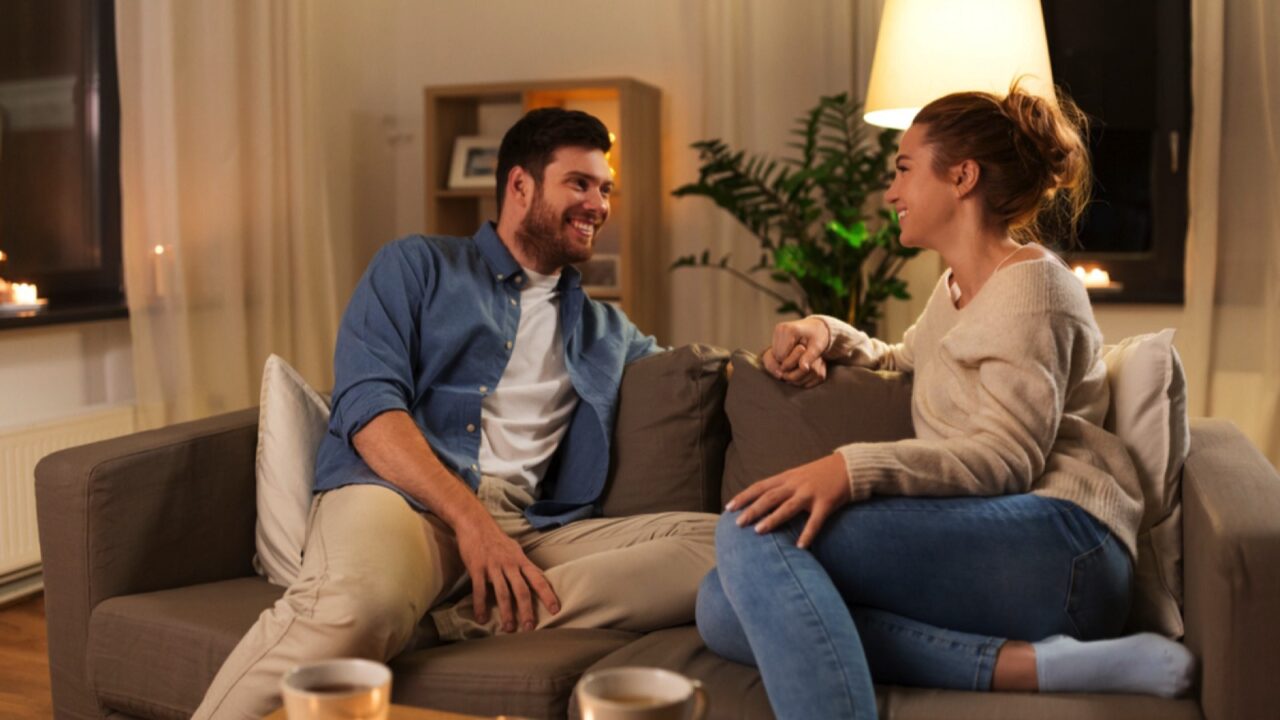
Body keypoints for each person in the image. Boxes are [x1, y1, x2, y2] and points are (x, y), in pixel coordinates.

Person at [194, 108, 717, 719]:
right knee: (358, 607)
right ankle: (406, 609)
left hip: (534, 528)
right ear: (520, 186)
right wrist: (472, 525)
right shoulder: (415, 266)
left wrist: (812, 335)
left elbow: (705, 369)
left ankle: (446, 620)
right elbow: (368, 410)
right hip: (401, 500)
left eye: (605, 189)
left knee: (721, 547)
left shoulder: (607, 329)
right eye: (579, 183)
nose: (599, 204)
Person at [695, 85, 1196, 719]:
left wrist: (850, 470)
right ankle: (1036, 666)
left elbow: (1007, 457)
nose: (891, 192)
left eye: (904, 169)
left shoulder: (1036, 287)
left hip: (1067, 544)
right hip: (1008, 544)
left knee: (753, 533)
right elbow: (906, 360)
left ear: (961, 177)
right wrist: (824, 331)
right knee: (721, 606)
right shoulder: (956, 288)